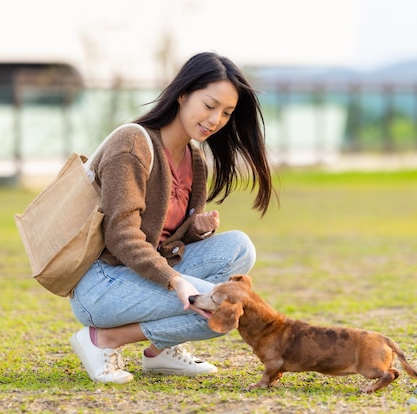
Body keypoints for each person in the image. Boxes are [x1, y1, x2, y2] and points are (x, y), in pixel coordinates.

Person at [69, 51, 276, 383]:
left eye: (226, 112)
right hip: (103, 285)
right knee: (222, 310)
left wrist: (195, 231)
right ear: (182, 94)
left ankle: (161, 352)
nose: (215, 120)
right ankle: (103, 339)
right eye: (209, 106)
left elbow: (165, 241)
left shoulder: (195, 159)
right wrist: (175, 280)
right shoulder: (133, 143)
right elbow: (122, 235)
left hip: (143, 276)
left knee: (239, 247)